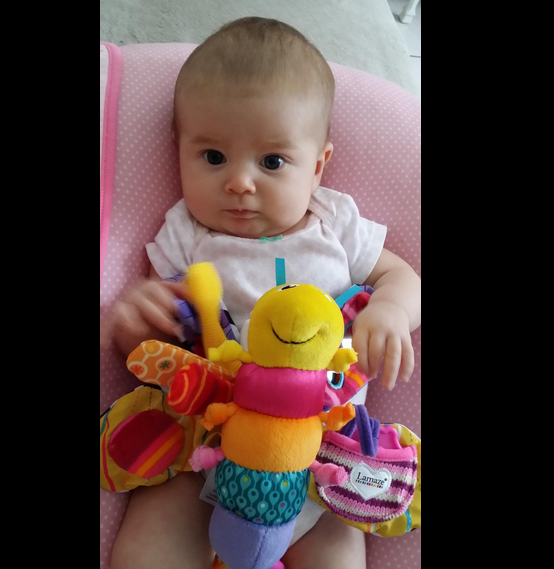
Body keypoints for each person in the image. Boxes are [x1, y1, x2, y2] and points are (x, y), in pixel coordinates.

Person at [105, 16, 421, 569]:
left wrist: (391, 310)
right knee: (151, 539)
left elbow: (404, 277)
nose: (240, 182)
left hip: (322, 456)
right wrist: (134, 322)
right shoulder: (187, 235)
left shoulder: (334, 223)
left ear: (317, 166)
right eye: (213, 157)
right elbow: (155, 349)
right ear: (178, 150)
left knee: (338, 550)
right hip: (206, 444)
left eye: (272, 162)